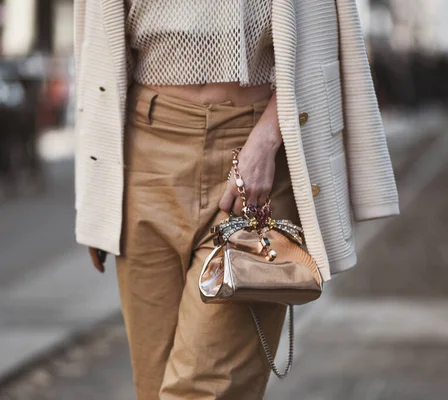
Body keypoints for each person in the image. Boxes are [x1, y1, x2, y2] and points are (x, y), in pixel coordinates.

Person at [74, 0, 399, 398]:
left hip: (252, 164)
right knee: (153, 386)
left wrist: (266, 139)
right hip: (142, 158)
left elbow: (319, 41)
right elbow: (98, 48)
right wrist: (94, 194)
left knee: (203, 390)